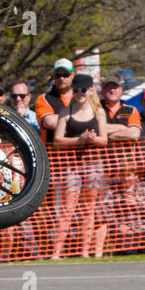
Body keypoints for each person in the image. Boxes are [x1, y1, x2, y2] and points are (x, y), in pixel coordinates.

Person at [49, 74, 109, 258]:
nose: (80, 93)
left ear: (91, 90)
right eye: (76, 90)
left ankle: (85, 252)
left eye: (83, 89)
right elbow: (57, 140)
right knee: (67, 208)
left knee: (89, 208)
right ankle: (56, 253)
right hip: (72, 166)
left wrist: (92, 139)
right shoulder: (66, 112)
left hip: (93, 164)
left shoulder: (98, 112)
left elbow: (104, 140)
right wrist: (79, 139)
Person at [34, 60, 75, 145]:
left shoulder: (81, 97)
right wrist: (81, 123)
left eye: (65, 75)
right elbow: (49, 122)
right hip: (52, 154)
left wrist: (61, 121)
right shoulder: (44, 98)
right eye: (58, 75)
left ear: (72, 75)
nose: (61, 78)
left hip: (79, 154)